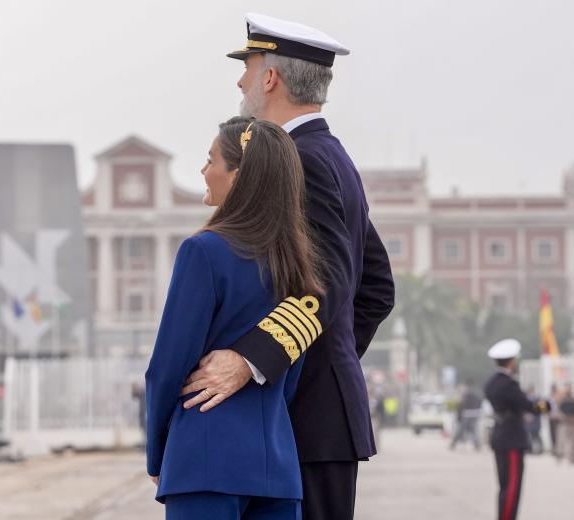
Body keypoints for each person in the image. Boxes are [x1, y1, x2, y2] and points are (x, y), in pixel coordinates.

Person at [178, 13, 395, 520]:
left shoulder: (302, 159)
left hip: (307, 420)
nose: (240, 81)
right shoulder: (332, 155)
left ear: (270, 78)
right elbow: (377, 287)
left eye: (248, 68)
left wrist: (255, 361)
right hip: (321, 415)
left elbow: (331, 280)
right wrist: (331, 358)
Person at [145, 117, 325, 519]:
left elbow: (168, 366)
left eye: (212, 161)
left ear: (239, 176)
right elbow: (289, 369)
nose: (204, 171)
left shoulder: (203, 251)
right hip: (276, 467)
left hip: (204, 461)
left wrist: (159, 453)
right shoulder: (295, 263)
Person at [483, 339, 549, 520]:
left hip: (499, 435)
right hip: (512, 438)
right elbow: (530, 406)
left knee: (504, 486)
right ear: (512, 361)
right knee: (512, 487)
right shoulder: (509, 384)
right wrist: (546, 405)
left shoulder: (490, 383)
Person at [450, 380, 482, 451]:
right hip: (475, 413)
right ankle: (477, 445)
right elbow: (480, 403)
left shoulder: (466, 394)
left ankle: (453, 443)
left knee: (461, 429)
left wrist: (459, 414)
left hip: (467, 413)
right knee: (473, 430)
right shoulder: (477, 393)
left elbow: (462, 404)